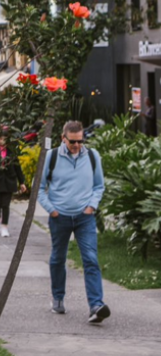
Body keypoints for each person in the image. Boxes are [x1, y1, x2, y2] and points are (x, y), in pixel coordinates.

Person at [38, 119, 110, 323]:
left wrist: (91, 207)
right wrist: (52, 211)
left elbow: (99, 186)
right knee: (58, 258)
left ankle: (96, 305)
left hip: (84, 217)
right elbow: (39, 188)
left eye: (80, 141)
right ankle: (58, 298)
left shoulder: (93, 156)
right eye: (72, 141)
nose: (77, 145)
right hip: (59, 217)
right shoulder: (51, 157)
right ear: (63, 138)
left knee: (90, 259)